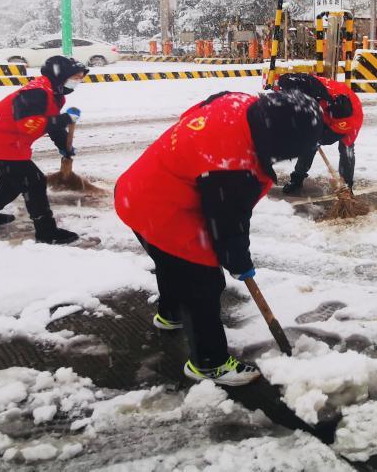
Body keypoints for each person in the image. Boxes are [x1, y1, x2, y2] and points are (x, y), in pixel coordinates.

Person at [114, 90, 321, 386]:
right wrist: (238, 262)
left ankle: (170, 313)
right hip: (164, 211)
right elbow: (227, 224)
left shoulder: (236, 102)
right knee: (203, 284)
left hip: (136, 191)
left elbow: (193, 116)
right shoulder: (233, 167)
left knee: (170, 263)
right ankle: (209, 363)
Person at [0, 55, 85, 244]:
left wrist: (64, 146)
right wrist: (65, 119)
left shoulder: (53, 93)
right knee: (34, 182)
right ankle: (46, 232)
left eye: (80, 77)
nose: (78, 81)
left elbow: (49, 123)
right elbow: (30, 125)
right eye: (75, 77)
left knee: (12, 183)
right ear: (61, 75)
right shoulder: (36, 92)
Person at [273, 73, 364, 195]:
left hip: (346, 117)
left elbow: (330, 135)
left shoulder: (339, 104)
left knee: (346, 149)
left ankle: (346, 187)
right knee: (309, 143)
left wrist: (319, 138)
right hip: (325, 112)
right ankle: (297, 179)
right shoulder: (306, 85)